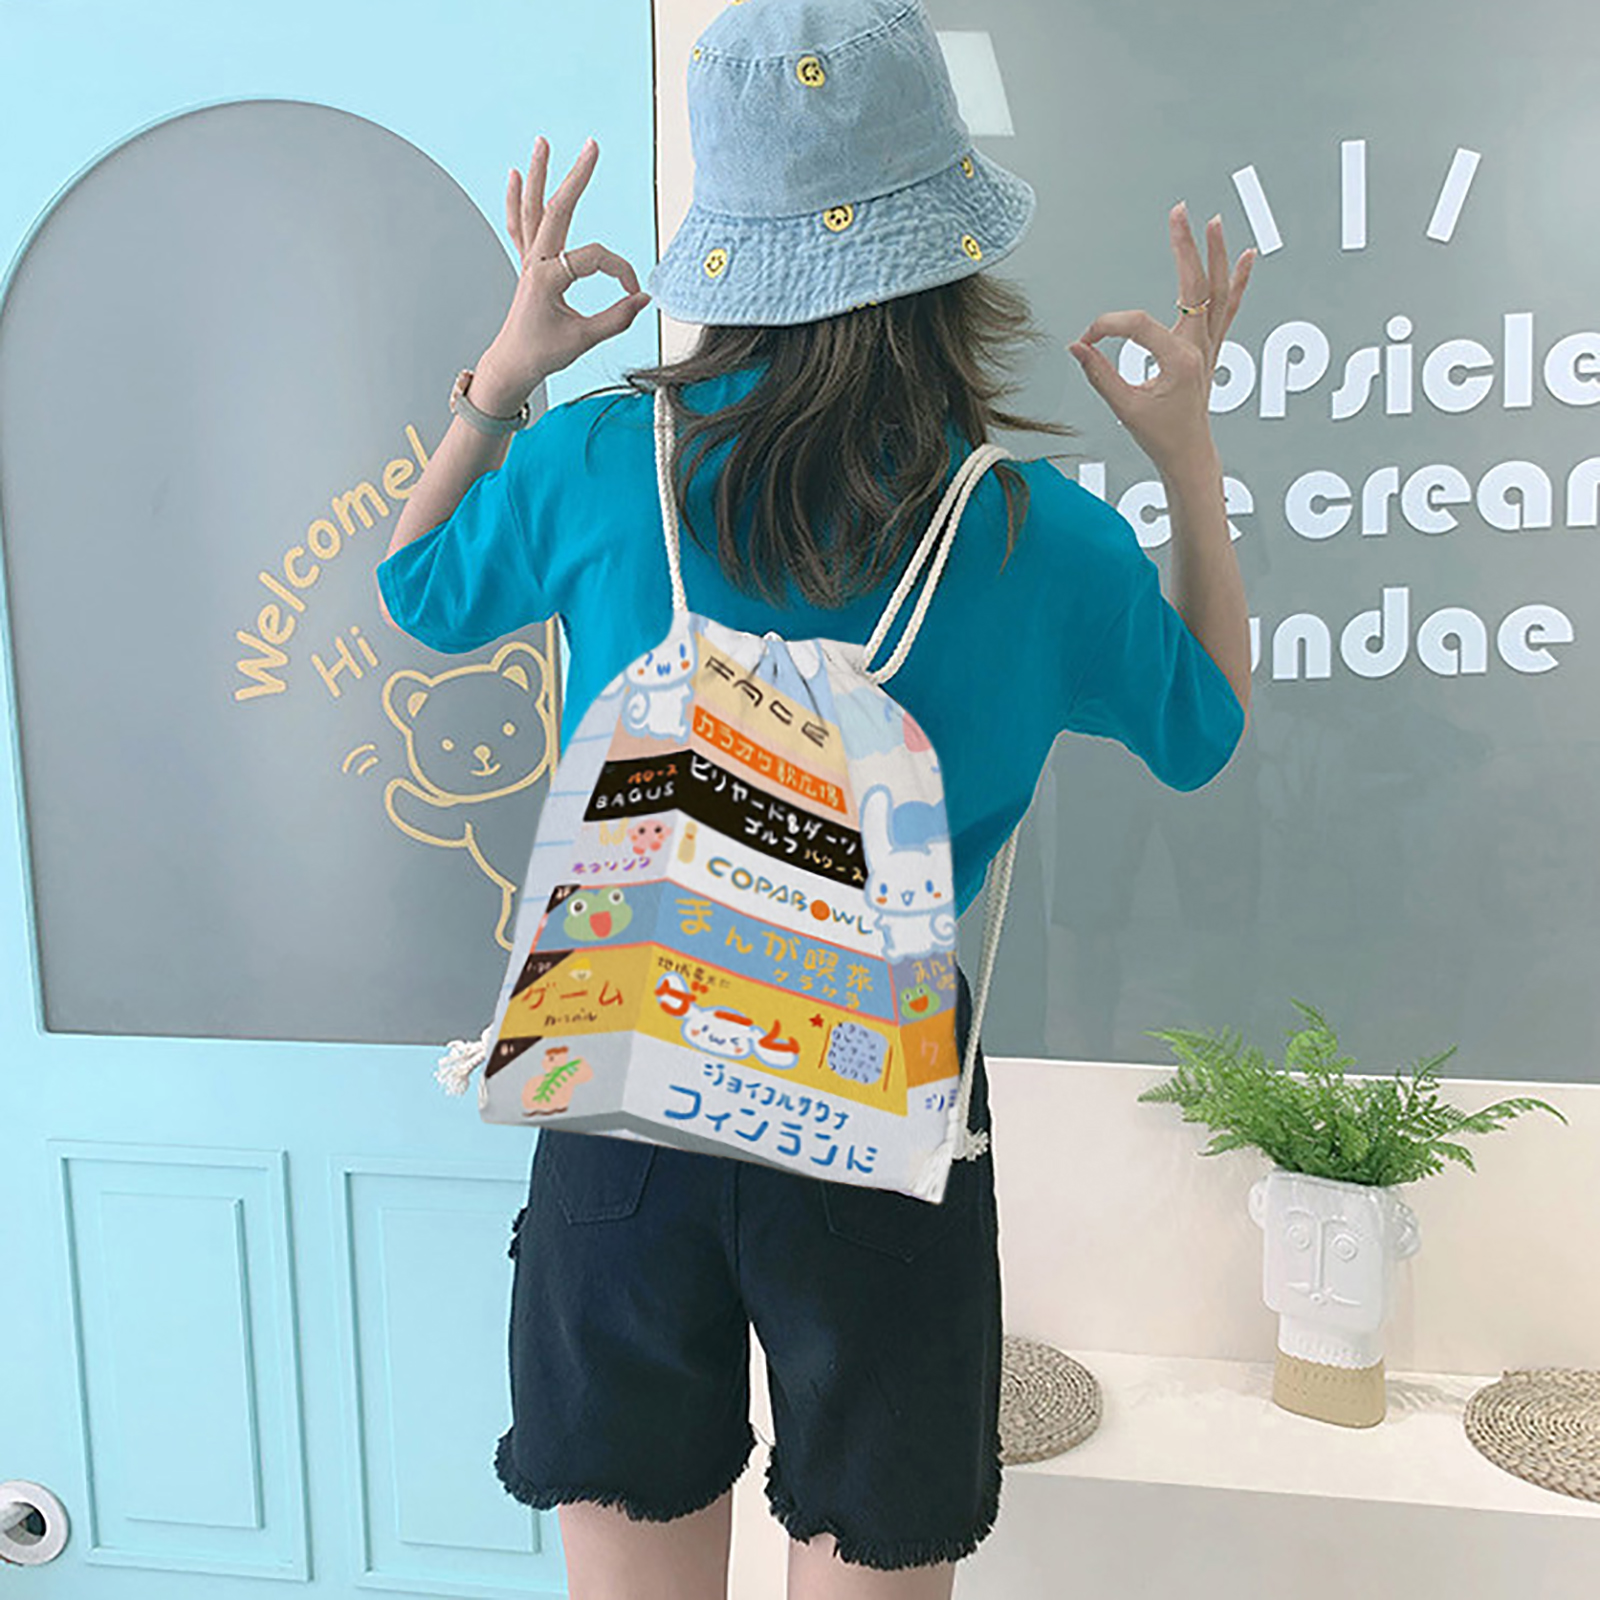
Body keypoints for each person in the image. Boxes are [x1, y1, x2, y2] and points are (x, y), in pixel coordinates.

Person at [375, 3, 1254, 1595]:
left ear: (728, 251)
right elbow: (1202, 730)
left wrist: (502, 377)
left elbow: (420, 588)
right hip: (881, 1108)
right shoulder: (1039, 537)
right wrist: (1188, 455)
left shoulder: (594, 465)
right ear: (952, 255)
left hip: (626, 1085)